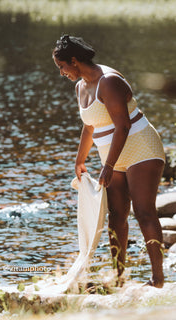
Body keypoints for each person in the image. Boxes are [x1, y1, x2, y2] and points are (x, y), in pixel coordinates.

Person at [52, 35, 165, 288]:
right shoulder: (80, 87)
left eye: (62, 66)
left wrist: (109, 165)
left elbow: (123, 126)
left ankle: (158, 279)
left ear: (74, 60)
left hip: (140, 148)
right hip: (112, 154)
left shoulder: (109, 81)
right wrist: (79, 160)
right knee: (116, 216)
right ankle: (119, 278)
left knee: (144, 212)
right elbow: (89, 127)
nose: (61, 73)